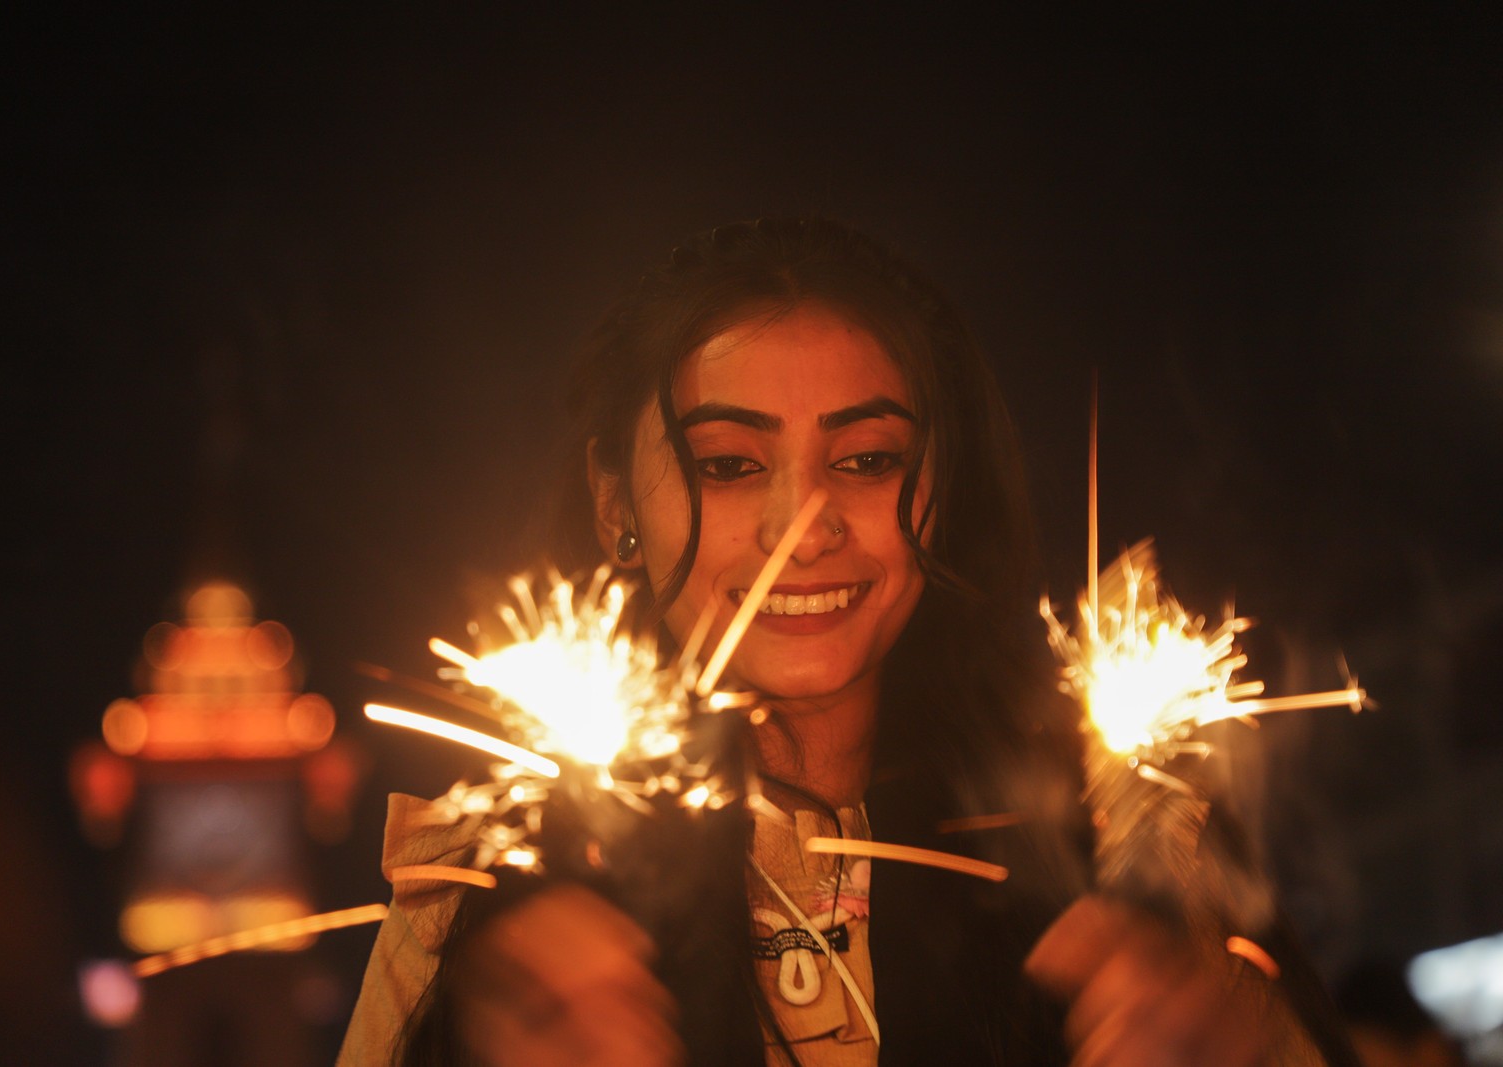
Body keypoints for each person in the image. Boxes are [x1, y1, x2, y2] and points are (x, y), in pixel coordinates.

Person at [341, 218, 1340, 1066]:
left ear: (941, 488)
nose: (802, 525)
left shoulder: (1124, 832)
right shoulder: (489, 874)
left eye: (866, 459)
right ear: (615, 504)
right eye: (728, 464)